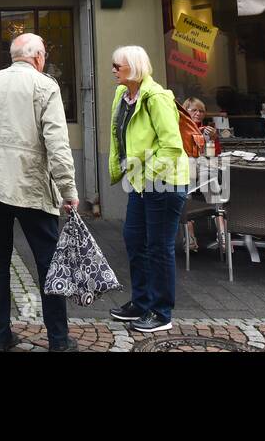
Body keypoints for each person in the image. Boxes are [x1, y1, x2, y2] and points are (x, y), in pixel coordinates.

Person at [0, 33, 79, 352]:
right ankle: (59, 341)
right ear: (37, 57)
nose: (45, 59)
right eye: (44, 54)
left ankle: (0, 338)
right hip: (31, 187)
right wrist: (68, 189)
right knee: (48, 264)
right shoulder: (45, 85)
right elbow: (57, 144)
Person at [108, 44, 189, 334]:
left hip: (164, 182)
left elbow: (171, 145)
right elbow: (118, 136)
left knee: (158, 248)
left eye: (119, 65)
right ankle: (141, 303)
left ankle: (161, 311)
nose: (114, 70)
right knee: (134, 240)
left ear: (135, 67)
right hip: (141, 182)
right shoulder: (123, 95)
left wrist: (147, 174)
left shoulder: (157, 98)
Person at [181, 97, 216, 253]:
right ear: (185, 111)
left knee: (215, 188)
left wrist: (213, 139)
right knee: (186, 191)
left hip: (204, 170)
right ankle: (189, 235)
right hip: (184, 170)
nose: (198, 113)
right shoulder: (180, 128)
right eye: (194, 110)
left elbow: (213, 155)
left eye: (201, 111)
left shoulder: (208, 130)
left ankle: (222, 233)